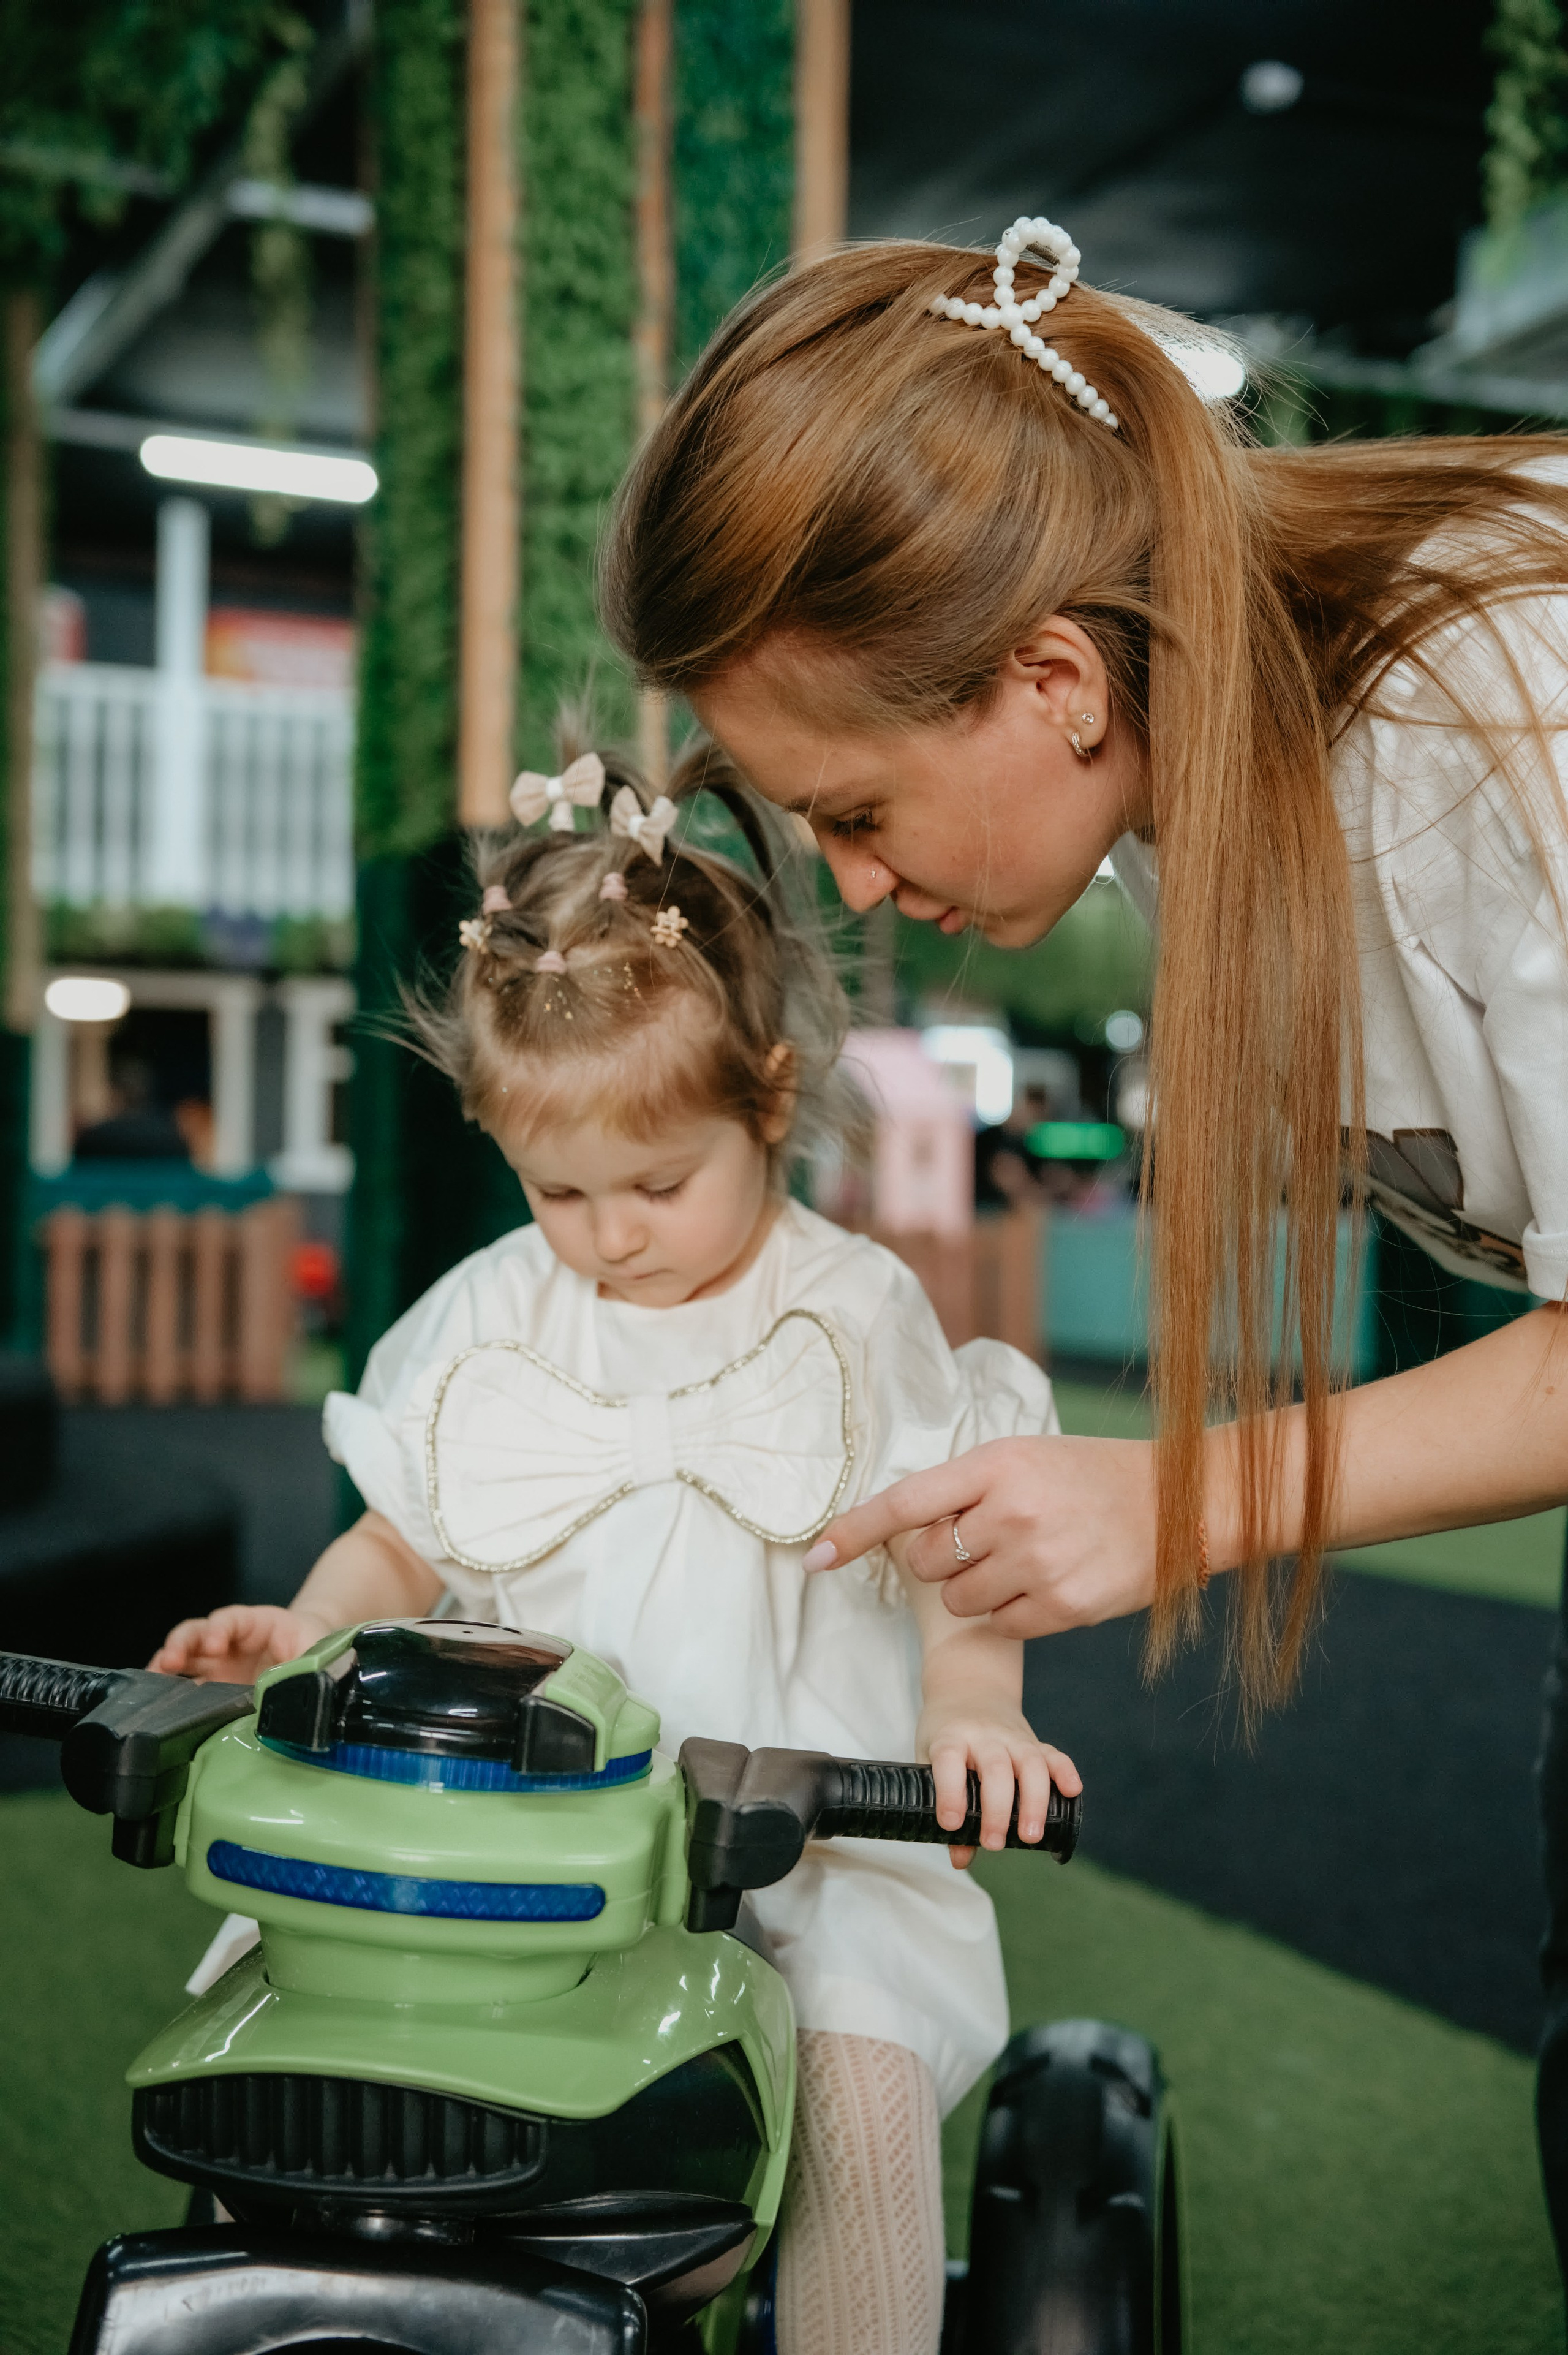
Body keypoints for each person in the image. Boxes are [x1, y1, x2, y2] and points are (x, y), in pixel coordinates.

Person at [598, 215, 1568, 2267]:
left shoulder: (1495, 708)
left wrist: (1186, 1496)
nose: (854, 881)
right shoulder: (1189, 750)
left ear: (1050, 677)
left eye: (857, 809)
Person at [153, 739, 1079, 2355]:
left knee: (857, 2098)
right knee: (294, 2059)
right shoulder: (494, 1314)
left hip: (792, 1849)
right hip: (507, 1851)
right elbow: (396, 1539)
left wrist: (974, 1710)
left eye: (659, 1179)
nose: (610, 1231)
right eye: (557, 1184)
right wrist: (300, 1630)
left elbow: (955, 1547)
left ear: (770, 1100)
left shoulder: (850, 1313)